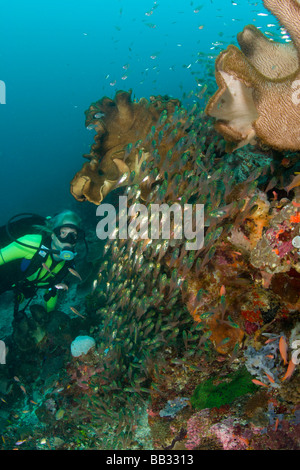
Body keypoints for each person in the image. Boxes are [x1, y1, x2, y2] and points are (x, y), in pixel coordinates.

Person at [0, 210, 85, 318]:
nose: (68, 240)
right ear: (53, 234)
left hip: (20, 283)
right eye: (63, 233)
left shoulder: (67, 264)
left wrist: (49, 317)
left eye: (74, 235)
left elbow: (52, 289)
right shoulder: (32, 243)